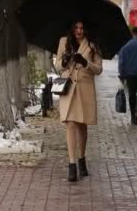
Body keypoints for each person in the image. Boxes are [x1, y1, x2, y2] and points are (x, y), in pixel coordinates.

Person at [54, 21, 102, 182]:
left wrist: (85, 62)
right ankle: (72, 164)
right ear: (72, 29)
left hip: (85, 88)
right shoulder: (64, 42)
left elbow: (99, 69)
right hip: (68, 88)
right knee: (70, 123)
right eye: (76, 28)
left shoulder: (93, 44)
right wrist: (65, 60)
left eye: (82, 28)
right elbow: (57, 65)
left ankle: (82, 159)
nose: (79, 31)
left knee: (82, 124)